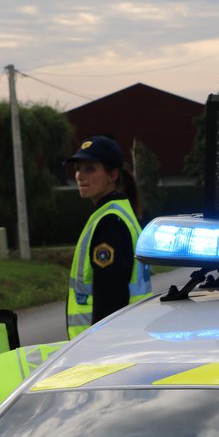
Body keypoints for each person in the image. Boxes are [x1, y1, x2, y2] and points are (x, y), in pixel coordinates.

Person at [65, 136, 152, 338]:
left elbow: (110, 297)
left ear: (112, 175)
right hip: (122, 339)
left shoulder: (110, 222)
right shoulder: (116, 214)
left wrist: (99, 347)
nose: (79, 175)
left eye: (90, 169)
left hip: (101, 346)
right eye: (78, 168)